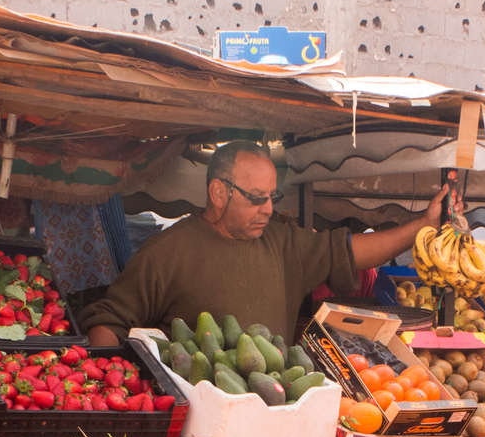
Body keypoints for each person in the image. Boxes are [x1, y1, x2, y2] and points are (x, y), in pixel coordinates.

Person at [82, 142, 458, 344]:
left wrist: (423, 225)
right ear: (218, 192)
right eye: (255, 197)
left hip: (276, 408)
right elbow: (108, 324)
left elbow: (352, 252)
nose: (267, 208)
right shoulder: (166, 253)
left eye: (271, 197)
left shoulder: (282, 244)